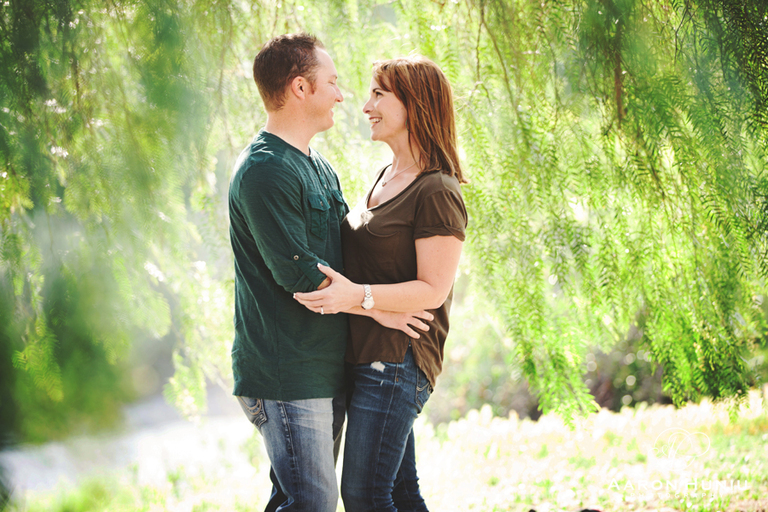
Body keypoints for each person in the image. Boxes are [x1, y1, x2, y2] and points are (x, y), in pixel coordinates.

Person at [229, 34, 432, 512]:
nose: (343, 96)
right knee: (313, 500)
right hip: (287, 371)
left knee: (300, 498)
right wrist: (379, 309)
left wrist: (378, 296)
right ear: (300, 88)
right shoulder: (264, 170)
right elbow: (301, 275)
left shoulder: (317, 165)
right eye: (333, 83)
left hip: (324, 367)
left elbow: (346, 255)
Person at [294, 55, 467, 512]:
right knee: (401, 495)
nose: (366, 106)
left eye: (378, 95)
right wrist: (359, 303)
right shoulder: (387, 176)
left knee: (364, 496)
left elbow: (433, 289)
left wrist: (358, 296)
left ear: (415, 104)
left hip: (396, 360)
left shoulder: (437, 190)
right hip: (366, 354)